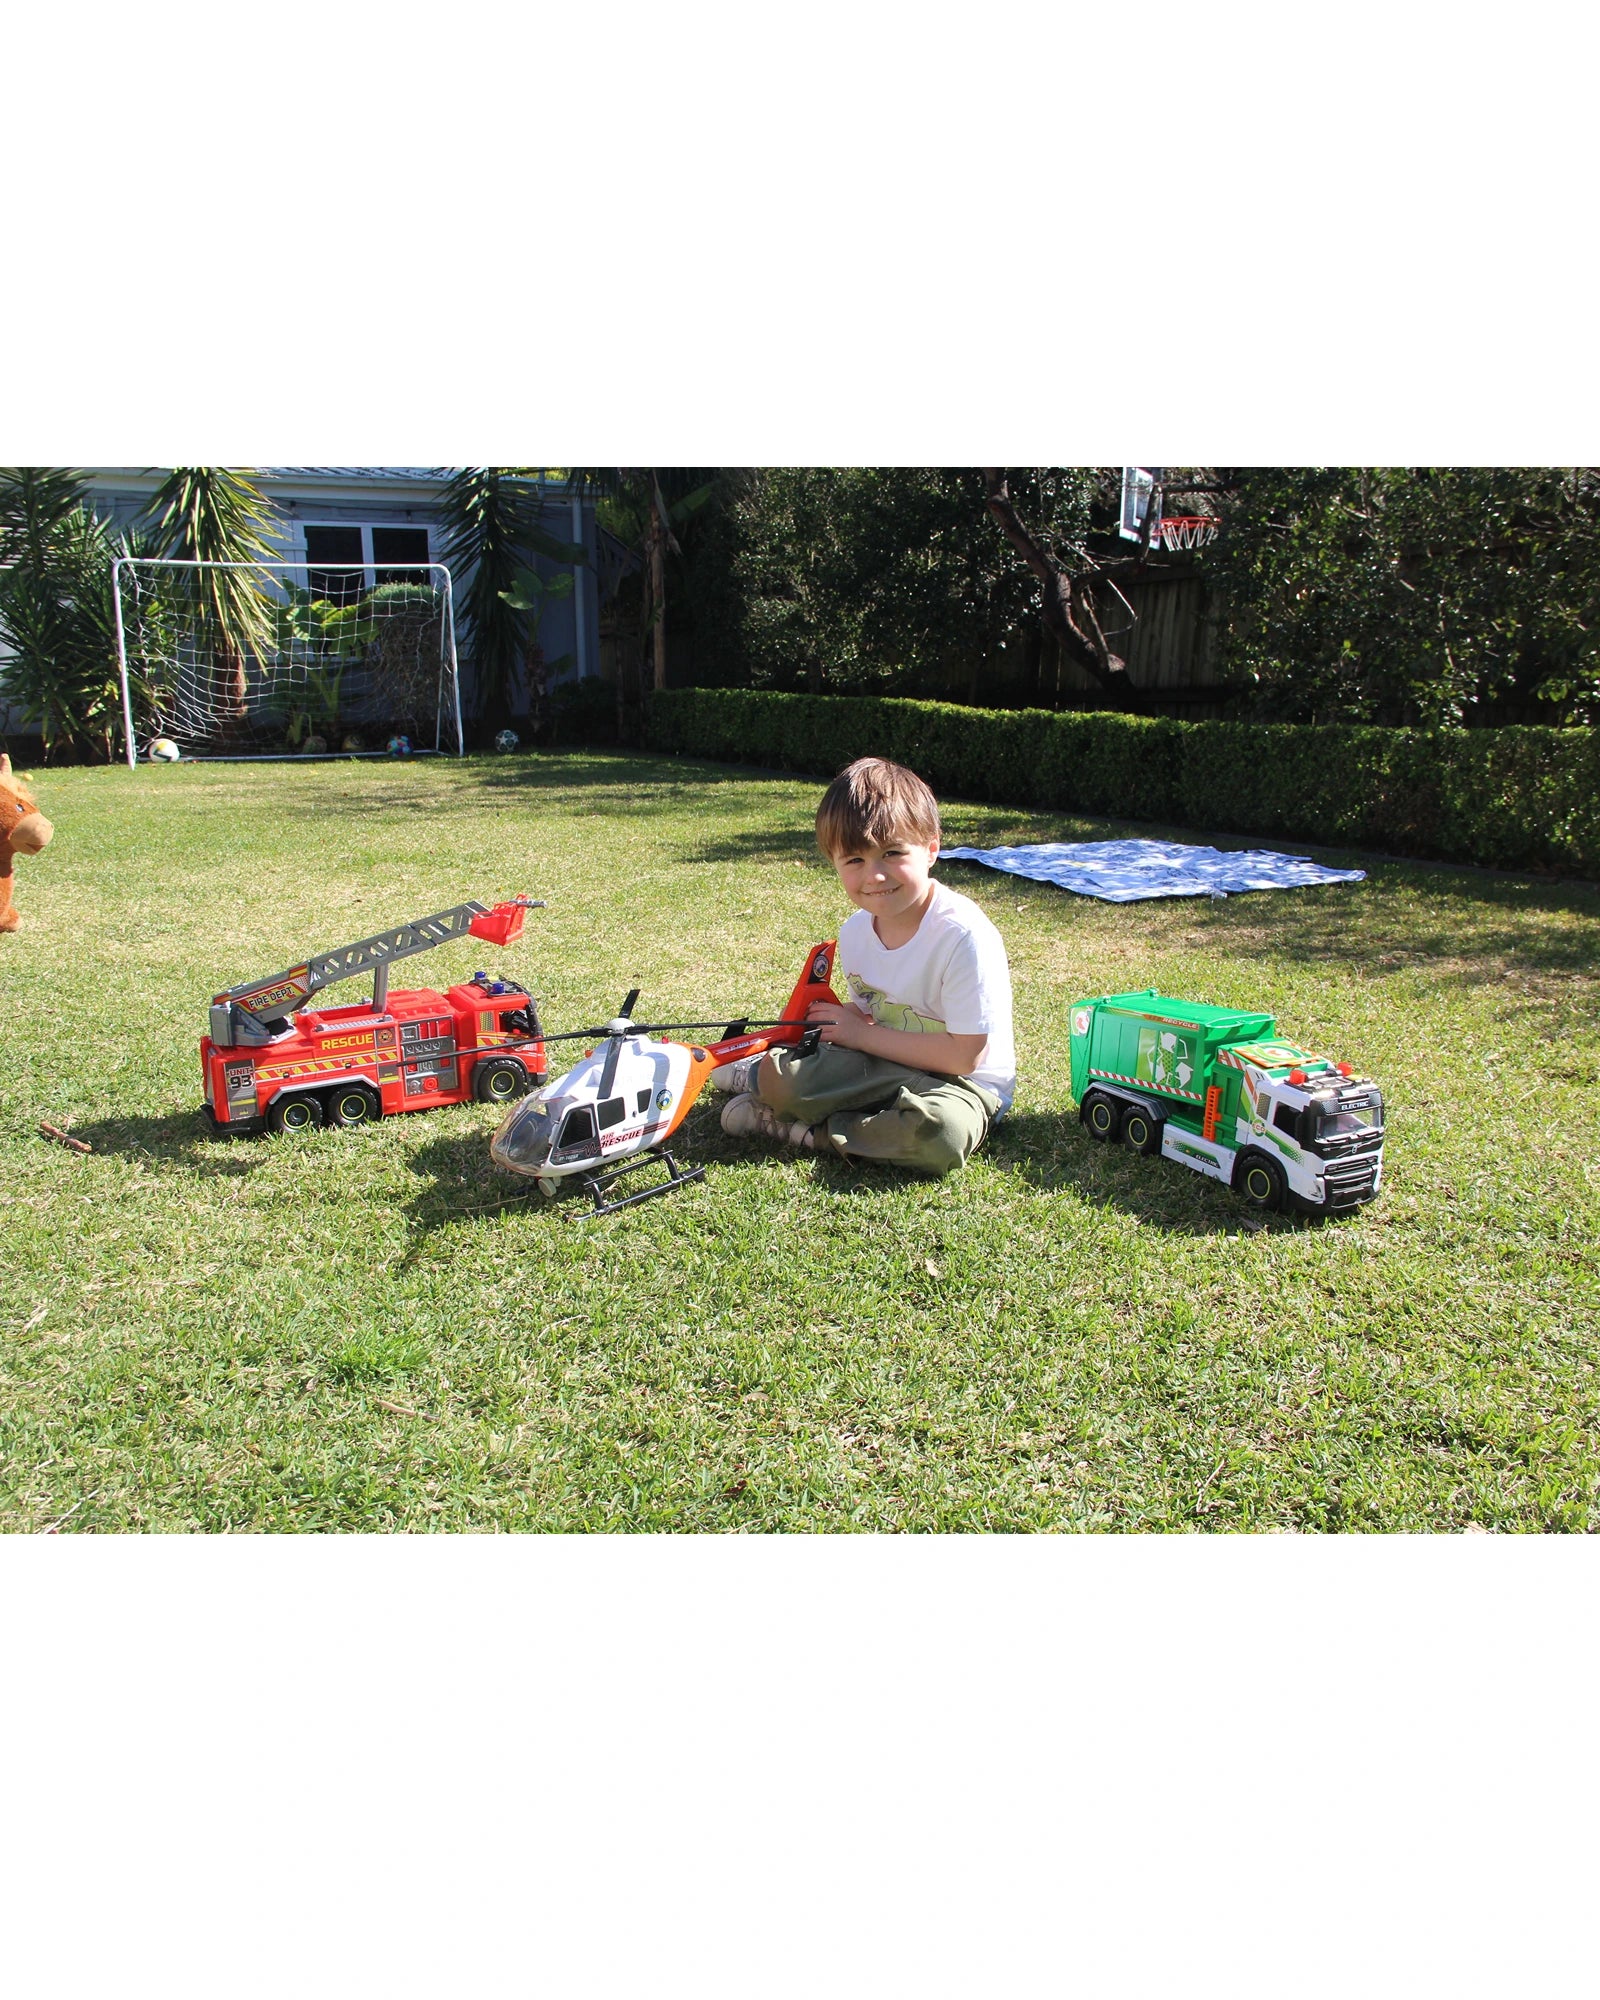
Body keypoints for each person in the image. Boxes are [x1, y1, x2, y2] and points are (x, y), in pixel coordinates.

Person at [717, 757, 1014, 1174]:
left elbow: (964, 1057)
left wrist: (859, 1034)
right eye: (854, 860)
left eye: (892, 853)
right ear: (833, 861)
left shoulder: (963, 936)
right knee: (787, 1077)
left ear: (931, 849)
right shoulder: (856, 933)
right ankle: (760, 1079)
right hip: (885, 1068)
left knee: (941, 1134)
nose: (874, 876)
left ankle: (804, 1131)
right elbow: (872, 1013)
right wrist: (835, 1024)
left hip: (961, 1087)